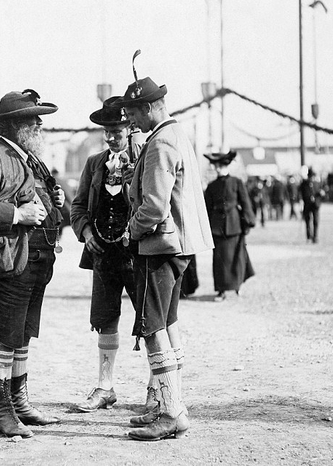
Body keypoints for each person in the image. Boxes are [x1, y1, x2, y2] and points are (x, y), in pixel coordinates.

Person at [0, 89, 65, 438]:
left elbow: (34, 196)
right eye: (33, 121)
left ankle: (20, 404)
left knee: (22, 334)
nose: (39, 125)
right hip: (11, 259)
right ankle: (4, 412)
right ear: (15, 125)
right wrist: (17, 214)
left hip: (37, 258)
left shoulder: (29, 159)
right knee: (5, 336)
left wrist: (55, 198)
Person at [113, 74, 214, 441]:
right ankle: (169, 405)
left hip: (160, 247)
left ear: (149, 107)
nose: (130, 122)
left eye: (133, 114)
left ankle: (171, 412)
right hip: (180, 247)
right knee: (168, 324)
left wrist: (131, 231)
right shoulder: (176, 134)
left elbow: (154, 206)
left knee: (152, 327)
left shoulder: (159, 143)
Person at [70, 96, 139, 413]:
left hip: (137, 255)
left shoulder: (143, 158)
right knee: (105, 319)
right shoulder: (94, 163)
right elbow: (78, 207)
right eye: (107, 132)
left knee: (149, 320)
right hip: (103, 256)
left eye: (117, 131)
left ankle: (155, 390)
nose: (111, 137)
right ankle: (105, 387)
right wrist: (86, 234)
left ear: (130, 129)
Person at [203, 151, 256, 302]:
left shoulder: (236, 182)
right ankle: (221, 290)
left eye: (220, 166)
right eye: (217, 166)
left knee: (236, 258)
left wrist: (249, 221)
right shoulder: (211, 186)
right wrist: (206, 228)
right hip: (217, 227)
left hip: (234, 225)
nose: (218, 168)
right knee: (220, 260)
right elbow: (207, 208)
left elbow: (245, 202)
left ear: (225, 166)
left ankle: (237, 285)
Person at [299, 167, 325, 243]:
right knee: (308, 221)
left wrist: (321, 194)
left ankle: (315, 236)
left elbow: (321, 193)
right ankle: (309, 236)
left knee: (315, 221)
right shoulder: (304, 183)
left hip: (315, 204)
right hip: (307, 204)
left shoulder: (317, 183)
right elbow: (301, 194)